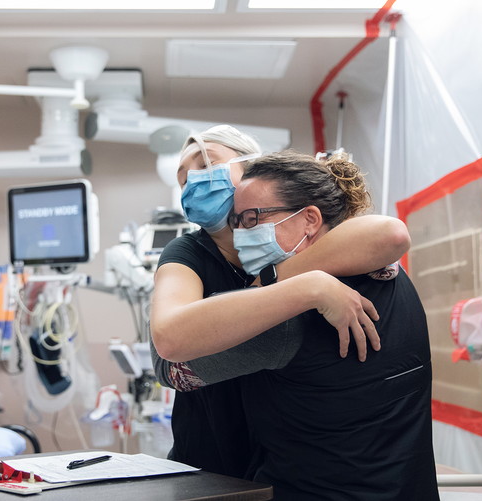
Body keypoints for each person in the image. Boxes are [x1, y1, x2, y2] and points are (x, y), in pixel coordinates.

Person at [149, 125, 411, 478]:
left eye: (207, 163)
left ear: (253, 166)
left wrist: (284, 276)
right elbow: (169, 345)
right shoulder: (188, 253)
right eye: (183, 179)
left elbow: (387, 235)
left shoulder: (289, 240)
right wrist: (304, 286)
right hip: (209, 459)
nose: (195, 180)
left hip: (283, 460)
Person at [223, 150, 436, 499]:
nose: (240, 236)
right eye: (236, 223)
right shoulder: (398, 282)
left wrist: (263, 285)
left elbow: (174, 361)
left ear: (309, 219)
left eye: (251, 219)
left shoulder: (287, 315)